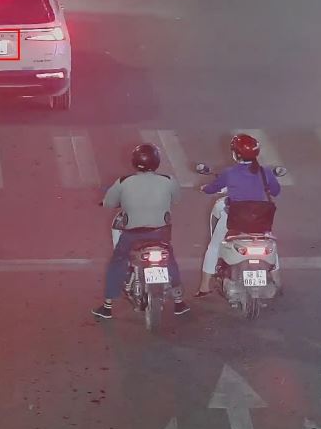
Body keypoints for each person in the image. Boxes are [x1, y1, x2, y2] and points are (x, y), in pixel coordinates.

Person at [94, 144, 189, 320]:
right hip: (160, 234)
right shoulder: (168, 180)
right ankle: (179, 301)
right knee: (170, 260)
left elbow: (108, 202)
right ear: (157, 162)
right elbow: (176, 199)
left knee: (118, 261)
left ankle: (107, 306)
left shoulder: (123, 182)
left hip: (133, 235)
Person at [196, 133, 282, 296]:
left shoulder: (230, 173)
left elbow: (212, 188)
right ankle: (277, 279)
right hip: (260, 221)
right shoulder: (265, 172)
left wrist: (204, 188)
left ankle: (204, 286)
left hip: (235, 221)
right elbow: (276, 191)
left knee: (214, 246)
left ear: (236, 154)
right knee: (269, 243)